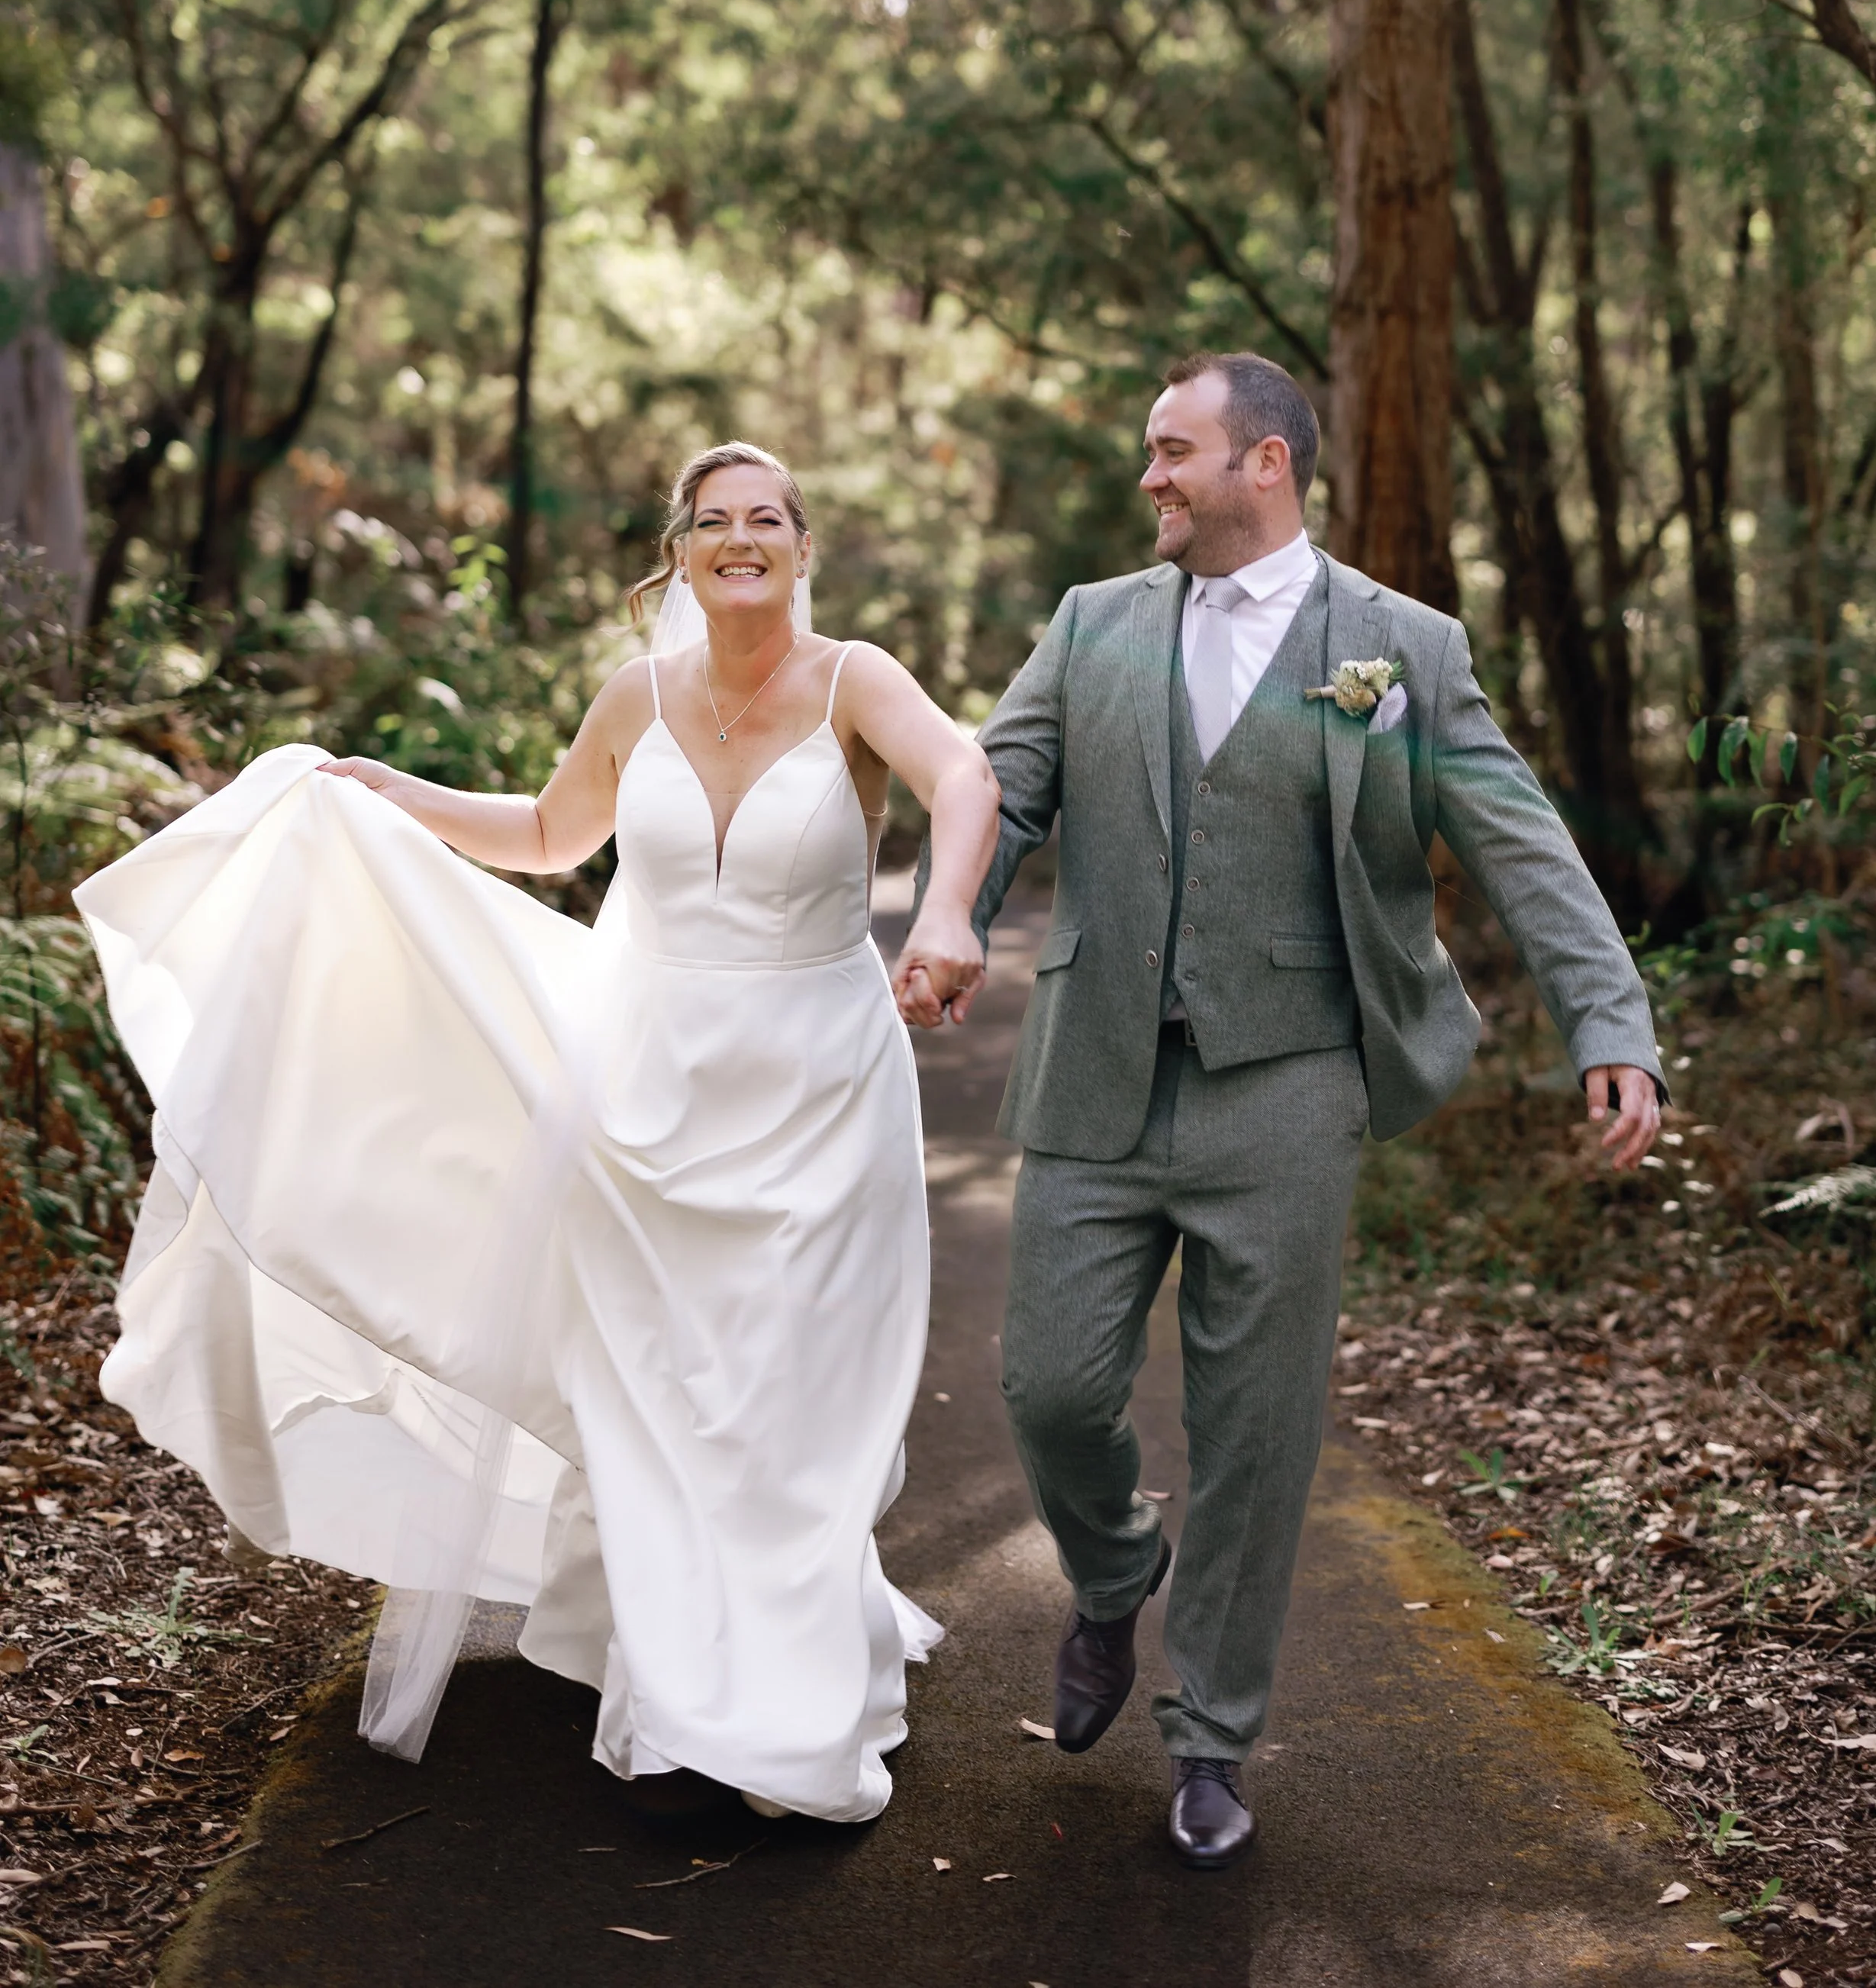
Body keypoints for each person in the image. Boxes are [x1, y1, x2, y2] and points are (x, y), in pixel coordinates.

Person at [78, 441, 996, 1824]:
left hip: (821, 1087)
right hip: (650, 1096)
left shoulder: (855, 679)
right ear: (679, 551)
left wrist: (944, 913)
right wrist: (392, 799)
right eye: (711, 521)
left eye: (765, 520)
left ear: (803, 546)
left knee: (795, 1391)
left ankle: (789, 1692)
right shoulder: (637, 695)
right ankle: (696, 1691)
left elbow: (966, 772)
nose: (739, 539)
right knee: (668, 1385)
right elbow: (553, 834)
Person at [894, 352, 1663, 1867]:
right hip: (1100, 1069)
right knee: (1045, 1387)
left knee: (1256, 1430)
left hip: (1291, 1082)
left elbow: (1516, 843)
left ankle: (1211, 1739)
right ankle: (1112, 1576)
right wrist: (951, 910)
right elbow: (995, 787)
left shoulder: (1400, 649)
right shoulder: (1089, 626)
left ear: (1265, 464)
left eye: (1171, 451)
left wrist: (1609, 1023)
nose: (1148, 479)